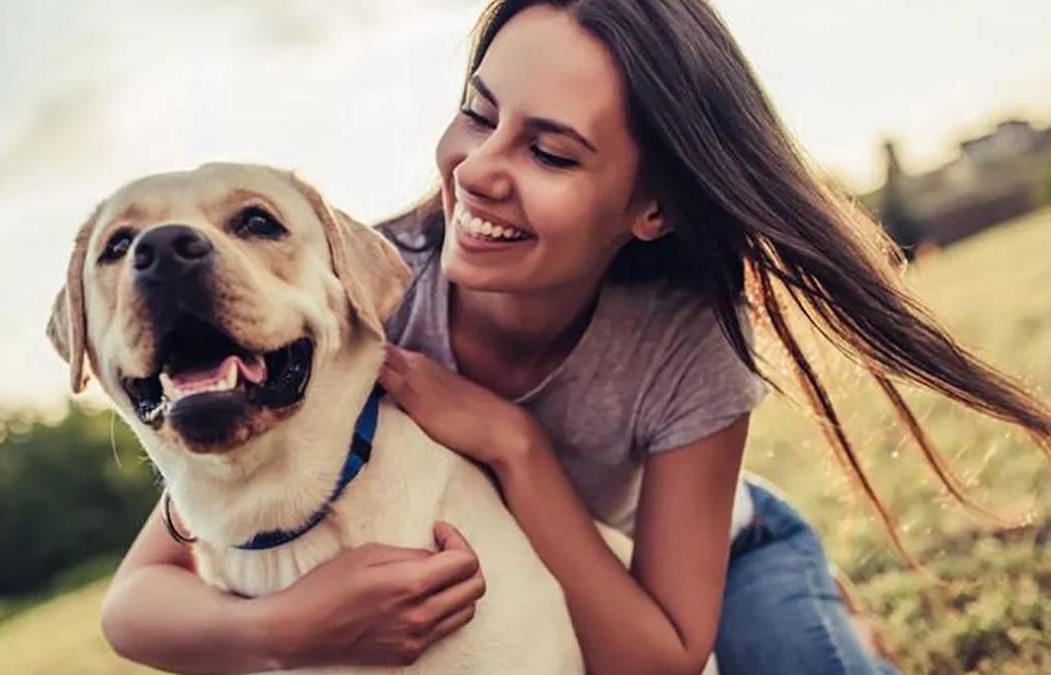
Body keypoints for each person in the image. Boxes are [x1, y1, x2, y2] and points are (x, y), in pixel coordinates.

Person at [100, 2, 1051, 674]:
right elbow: (138, 598)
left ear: (650, 206)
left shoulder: (688, 342)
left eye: (550, 151)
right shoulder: (354, 290)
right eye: (478, 112)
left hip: (714, 560)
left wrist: (515, 447)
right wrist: (290, 631)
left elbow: (658, 657)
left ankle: (840, 626)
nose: (479, 169)